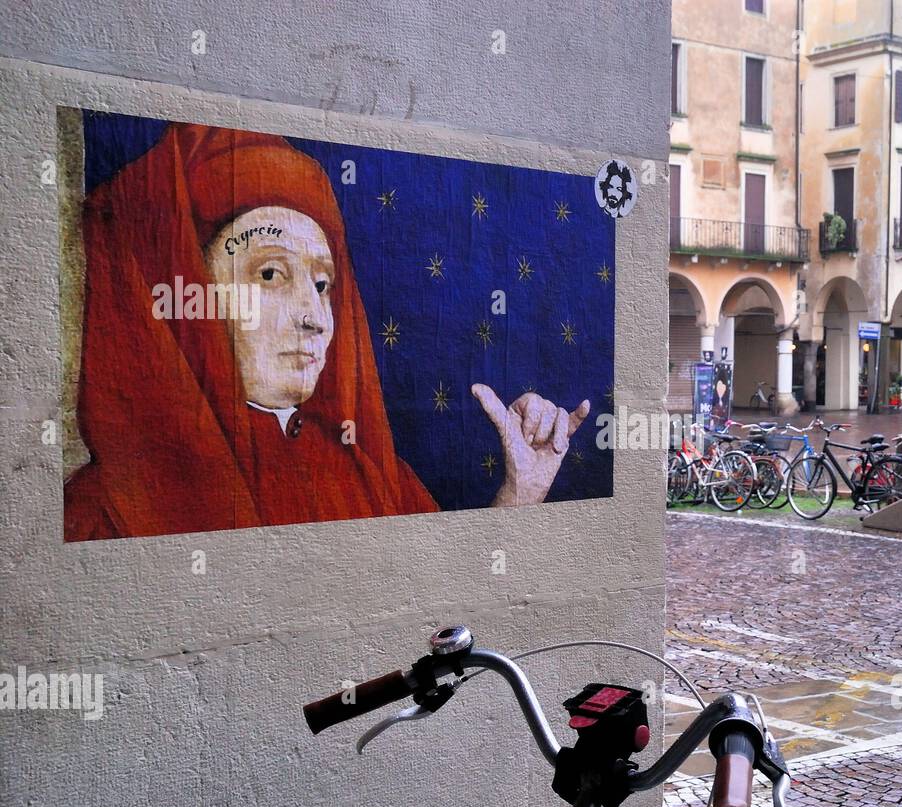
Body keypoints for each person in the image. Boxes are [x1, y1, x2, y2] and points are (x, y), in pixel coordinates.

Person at [64, 123, 586, 541]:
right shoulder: (103, 513)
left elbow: (449, 612)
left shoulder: (371, 476)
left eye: (322, 283)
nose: (313, 315)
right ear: (188, 292)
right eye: (270, 274)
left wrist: (520, 493)